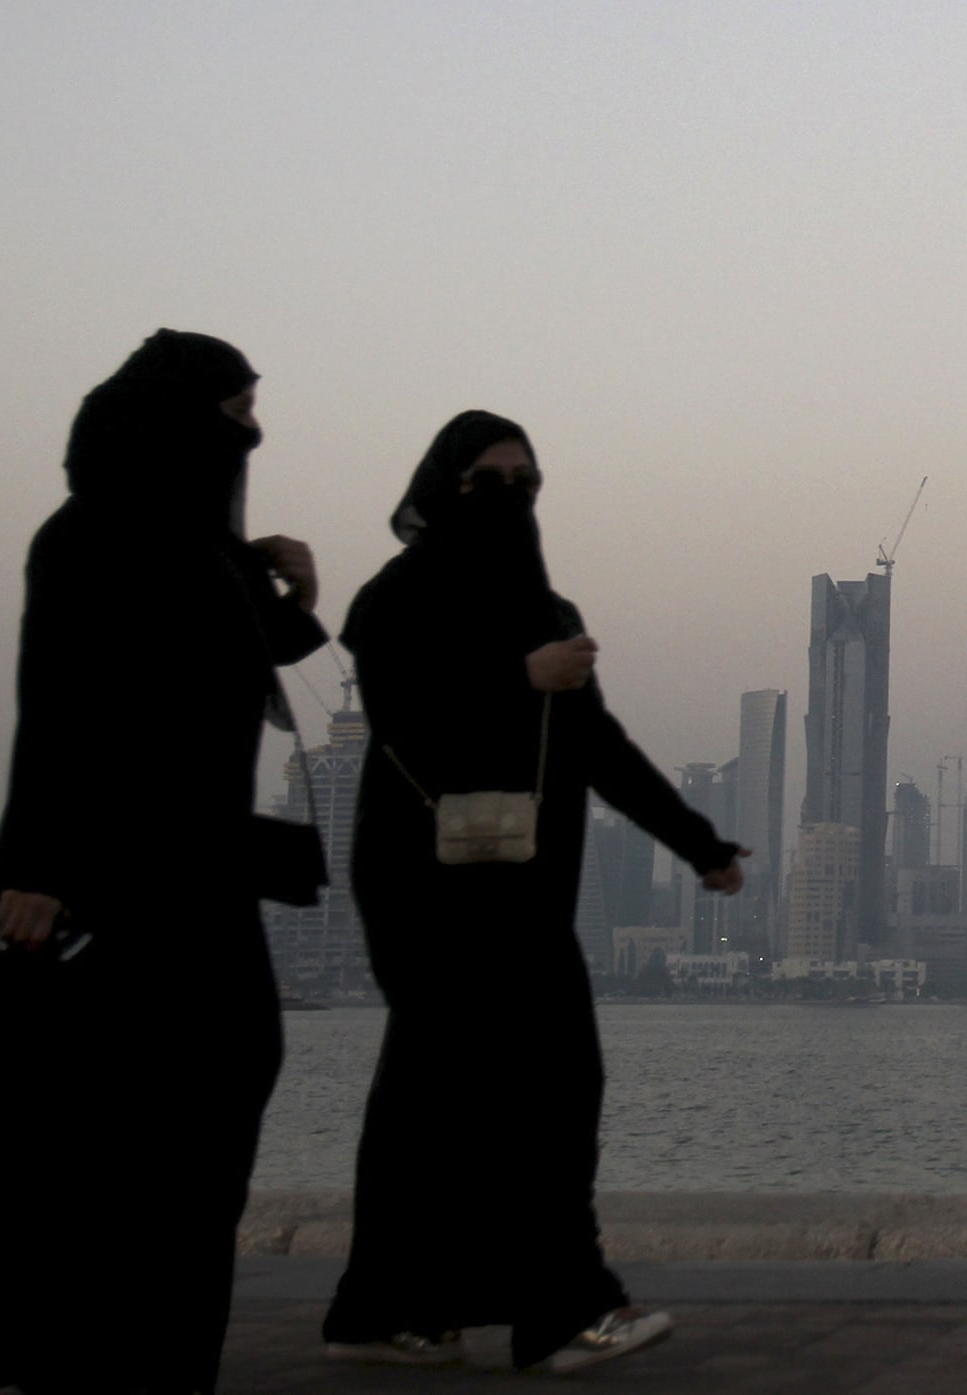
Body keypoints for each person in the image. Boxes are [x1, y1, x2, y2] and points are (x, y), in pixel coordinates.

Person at [0, 330, 326, 1395]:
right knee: (103, 1131)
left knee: (210, 1107)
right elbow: (63, 699)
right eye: (237, 409)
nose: (252, 431)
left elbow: (253, 655)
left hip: (201, 879)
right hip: (102, 882)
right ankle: (68, 1351)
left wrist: (294, 596)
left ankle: (159, 1361)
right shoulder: (90, 535)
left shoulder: (202, 548)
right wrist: (46, 866)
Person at [323, 410, 746, 1374]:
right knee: (551, 1082)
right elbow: (404, 717)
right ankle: (563, 1310)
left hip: (523, 883)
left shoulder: (546, 609)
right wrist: (523, 677)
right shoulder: (395, 598)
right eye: (487, 479)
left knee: (430, 1098)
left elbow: (599, 747)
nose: (510, 497)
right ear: (441, 488)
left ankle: (386, 1308)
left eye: (526, 479)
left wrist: (699, 844)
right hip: (425, 884)